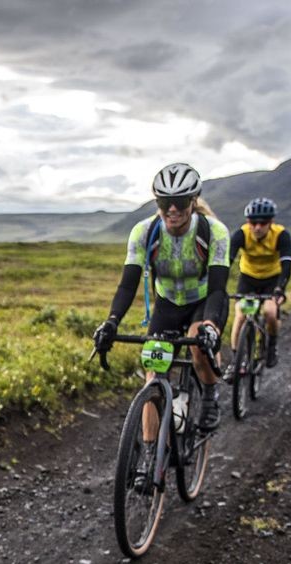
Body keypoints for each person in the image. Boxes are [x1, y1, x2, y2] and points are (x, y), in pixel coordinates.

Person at [92, 162, 231, 432]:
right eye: (165, 201)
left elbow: (217, 289)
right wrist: (111, 322)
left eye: (179, 201)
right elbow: (126, 286)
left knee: (198, 345)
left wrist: (211, 328)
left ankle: (210, 396)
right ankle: (150, 462)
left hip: (202, 303)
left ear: (192, 201)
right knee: (153, 375)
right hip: (167, 306)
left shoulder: (214, 232)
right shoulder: (144, 232)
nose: (172, 209)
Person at [226, 198, 291, 369]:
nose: (257, 227)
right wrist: (218, 286)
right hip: (248, 279)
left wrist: (279, 289)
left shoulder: (281, 235)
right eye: (253, 222)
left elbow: (286, 264)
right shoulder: (241, 234)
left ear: (271, 222)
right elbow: (227, 261)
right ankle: (236, 361)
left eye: (262, 223)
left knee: (270, 312)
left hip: (272, 279)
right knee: (241, 314)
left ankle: (271, 347)